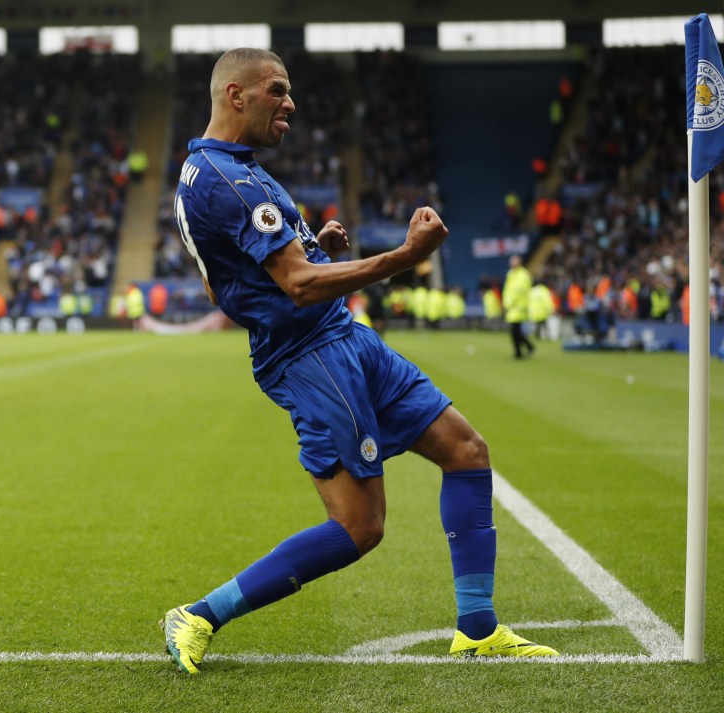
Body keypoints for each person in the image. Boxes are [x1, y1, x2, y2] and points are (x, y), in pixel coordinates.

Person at [160, 48, 558, 675]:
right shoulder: (229, 181)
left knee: (466, 450)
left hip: (341, 334)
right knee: (359, 526)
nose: (289, 102)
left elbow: (228, 281)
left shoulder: (216, 173)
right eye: (277, 90)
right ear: (235, 95)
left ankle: (477, 629)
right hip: (310, 356)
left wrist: (319, 252)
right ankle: (201, 614)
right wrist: (404, 257)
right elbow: (292, 284)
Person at [502, 255, 534, 358]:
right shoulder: (511, 274)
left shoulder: (523, 275)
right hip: (512, 306)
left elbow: (518, 291)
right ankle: (528, 347)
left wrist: (509, 302)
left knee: (514, 330)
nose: (512, 264)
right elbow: (507, 289)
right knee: (515, 330)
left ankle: (518, 352)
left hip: (519, 306)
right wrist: (506, 302)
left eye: (514, 262)